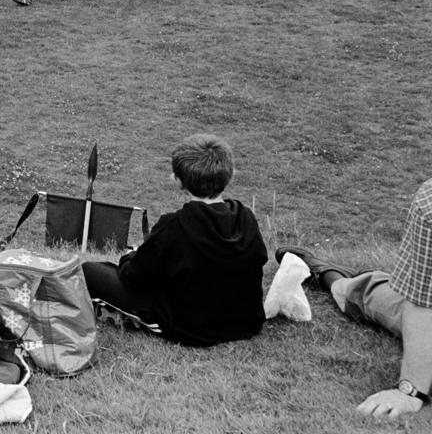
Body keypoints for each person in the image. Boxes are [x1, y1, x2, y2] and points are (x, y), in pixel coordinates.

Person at [82, 134, 267, 347]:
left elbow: (134, 279)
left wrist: (130, 257)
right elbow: (257, 261)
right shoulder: (246, 217)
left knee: (90, 271)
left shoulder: (174, 225)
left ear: (177, 180)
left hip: (189, 328)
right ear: (230, 174)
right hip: (246, 323)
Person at [277, 177, 432, 420]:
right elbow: (423, 302)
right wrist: (411, 390)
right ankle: (333, 278)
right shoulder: (430, 199)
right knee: (372, 295)